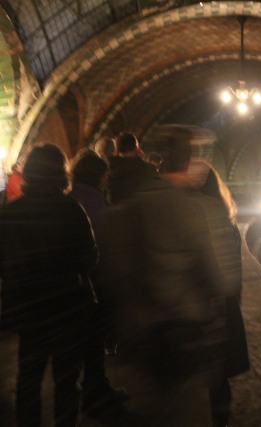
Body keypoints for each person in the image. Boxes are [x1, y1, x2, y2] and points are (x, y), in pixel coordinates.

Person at [102, 125, 230, 426]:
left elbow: (115, 272)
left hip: (143, 339)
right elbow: (216, 278)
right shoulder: (193, 210)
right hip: (184, 338)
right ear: (189, 160)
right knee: (187, 414)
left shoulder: (131, 206)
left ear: (157, 160)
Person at [0, 143, 99, 427]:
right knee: (67, 383)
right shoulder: (72, 210)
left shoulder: (10, 213)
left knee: (28, 380)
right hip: (67, 309)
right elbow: (89, 258)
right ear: (61, 173)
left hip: (27, 310)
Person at [68, 149, 128, 417]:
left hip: (62, 289)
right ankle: (94, 394)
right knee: (93, 345)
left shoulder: (68, 198)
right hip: (90, 286)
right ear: (99, 177)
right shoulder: (95, 203)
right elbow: (102, 248)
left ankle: (93, 390)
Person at [192, 163, 249, 427]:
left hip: (200, 309)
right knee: (219, 378)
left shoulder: (192, 219)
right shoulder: (228, 223)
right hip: (224, 307)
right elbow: (234, 275)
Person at [107, 132, 154, 203]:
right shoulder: (146, 169)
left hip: (116, 211)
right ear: (136, 147)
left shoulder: (108, 169)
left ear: (116, 148)